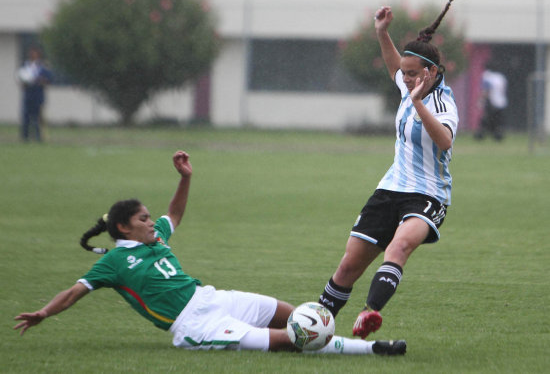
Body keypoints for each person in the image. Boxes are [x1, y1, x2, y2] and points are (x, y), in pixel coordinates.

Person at [14, 150, 406, 355]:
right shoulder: (114, 261)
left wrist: (185, 178)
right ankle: (371, 350)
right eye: (144, 218)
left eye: (151, 218)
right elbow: (75, 291)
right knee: (292, 339)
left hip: (213, 297)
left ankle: (347, 342)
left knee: (296, 313)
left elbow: (176, 213)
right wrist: (45, 312)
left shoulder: (158, 239)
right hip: (194, 326)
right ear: (122, 228)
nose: (153, 223)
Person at [318, 0, 465, 339]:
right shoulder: (409, 80)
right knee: (349, 265)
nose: (406, 79)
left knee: (399, 248)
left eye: (413, 75)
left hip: (428, 195)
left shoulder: (444, 103)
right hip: (390, 188)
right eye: (405, 75)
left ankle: (369, 313)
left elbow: (444, 141)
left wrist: (417, 102)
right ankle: (315, 325)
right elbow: (393, 65)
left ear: (431, 72)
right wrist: (382, 32)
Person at [17, 46, 53, 142]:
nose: (33, 55)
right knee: (26, 117)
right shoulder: (25, 66)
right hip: (28, 95)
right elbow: (20, 79)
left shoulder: (42, 67)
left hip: (38, 95)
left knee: (38, 119)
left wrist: (40, 80)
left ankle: (39, 138)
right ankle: (25, 137)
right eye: (31, 53)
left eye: (35, 53)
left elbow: (49, 79)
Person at [474, 61, 508, 141]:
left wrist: (481, 100)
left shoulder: (487, 75)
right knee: (498, 121)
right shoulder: (501, 77)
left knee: (486, 119)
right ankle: (498, 135)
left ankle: (480, 135)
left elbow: (486, 89)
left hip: (492, 101)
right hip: (501, 101)